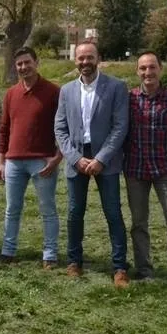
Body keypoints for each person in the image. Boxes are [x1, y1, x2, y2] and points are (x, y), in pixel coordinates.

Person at [54, 40, 130, 288]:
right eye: (81, 58)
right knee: (75, 213)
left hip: (106, 159)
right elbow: (60, 129)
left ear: (98, 59)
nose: (85, 62)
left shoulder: (116, 87)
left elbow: (120, 127)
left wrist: (101, 158)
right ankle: (74, 262)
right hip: (77, 158)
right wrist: (75, 158)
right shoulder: (66, 91)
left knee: (113, 213)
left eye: (89, 57)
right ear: (75, 60)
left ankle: (120, 267)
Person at [124, 51, 167, 289]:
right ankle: (144, 269)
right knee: (139, 223)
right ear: (137, 71)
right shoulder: (129, 99)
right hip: (135, 169)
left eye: (152, 67)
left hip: (165, 170)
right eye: (143, 68)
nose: (148, 72)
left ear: (160, 69)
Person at [0, 47, 62, 268]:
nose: (23, 67)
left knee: (47, 209)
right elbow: (4, 129)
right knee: (11, 209)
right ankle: (8, 251)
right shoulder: (11, 94)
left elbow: (66, 127)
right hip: (14, 161)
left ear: (37, 62)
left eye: (27, 62)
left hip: (42, 161)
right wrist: (1, 161)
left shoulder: (53, 92)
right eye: (19, 64)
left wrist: (58, 157)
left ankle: (50, 255)